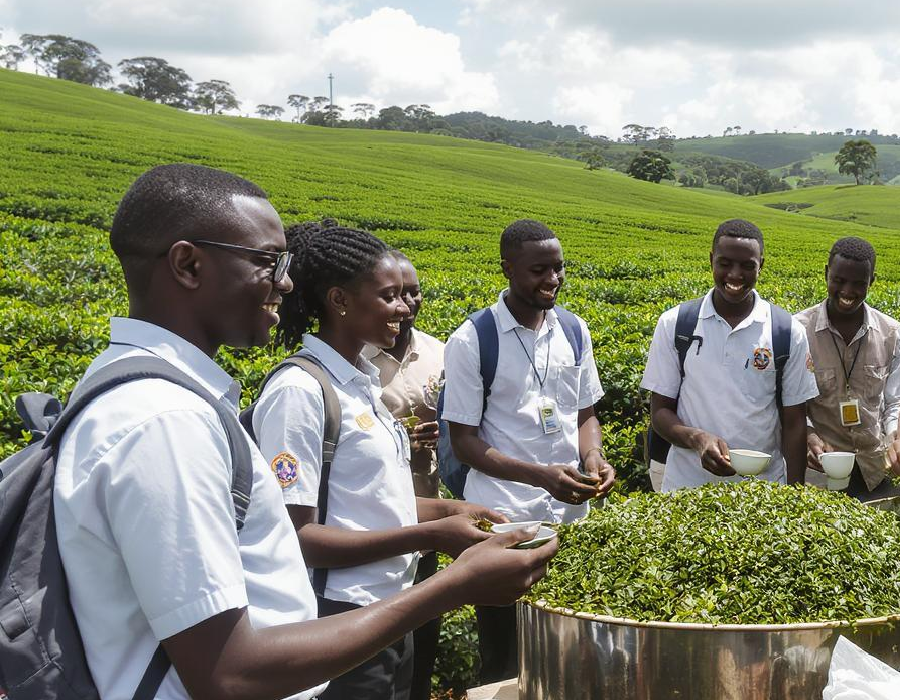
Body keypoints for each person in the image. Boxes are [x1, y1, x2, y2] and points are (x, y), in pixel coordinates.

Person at [53, 164, 557, 700]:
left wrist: (449, 515)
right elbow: (229, 671)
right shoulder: (167, 421)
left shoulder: (162, 395)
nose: (286, 282)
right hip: (332, 623)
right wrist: (453, 583)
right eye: (269, 262)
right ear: (188, 264)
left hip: (338, 634)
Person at [252, 219, 511, 700]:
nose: (403, 308)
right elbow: (297, 536)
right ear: (340, 301)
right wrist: (434, 534)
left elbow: (372, 505)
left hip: (390, 608)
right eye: (388, 296)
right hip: (337, 618)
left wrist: (454, 511)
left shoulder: (362, 385)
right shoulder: (301, 392)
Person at [442, 218, 616, 684]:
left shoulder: (574, 331)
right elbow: (465, 443)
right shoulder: (472, 339)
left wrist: (593, 458)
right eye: (540, 270)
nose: (553, 280)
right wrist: (541, 475)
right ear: (508, 268)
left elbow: (584, 415)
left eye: (559, 269)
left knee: (569, 647)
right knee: (504, 656)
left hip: (568, 516)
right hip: (505, 519)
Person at [641, 218, 818, 491]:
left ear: (762, 265)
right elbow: (661, 411)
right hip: (687, 488)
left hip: (762, 490)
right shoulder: (676, 324)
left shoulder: (786, 331)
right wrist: (697, 439)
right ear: (711, 260)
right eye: (725, 263)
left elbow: (794, 422)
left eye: (748, 265)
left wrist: (794, 495)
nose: (735, 275)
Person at [361, 249, 445, 700]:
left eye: (413, 293)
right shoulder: (355, 358)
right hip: (374, 523)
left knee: (420, 638)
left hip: (425, 511)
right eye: (394, 294)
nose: (407, 303)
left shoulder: (438, 352)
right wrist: (401, 444)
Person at [796, 236, 900, 500]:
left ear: (872, 282)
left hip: (875, 471)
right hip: (820, 474)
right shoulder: (798, 331)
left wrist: (895, 435)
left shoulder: (891, 333)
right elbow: (789, 400)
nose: (847, 291)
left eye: (859, 283)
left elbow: (894, 401)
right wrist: (808, 434)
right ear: (826, 274)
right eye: (839, 280)